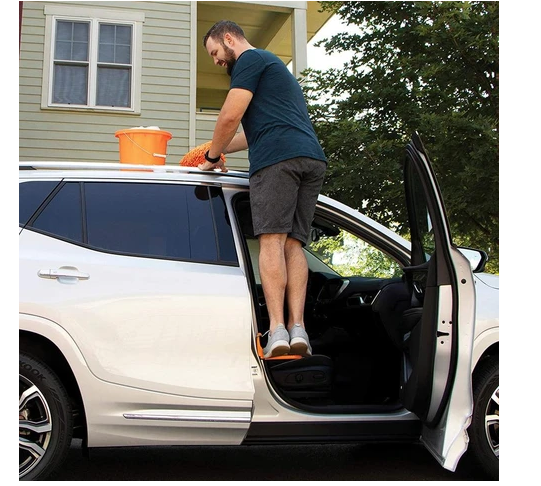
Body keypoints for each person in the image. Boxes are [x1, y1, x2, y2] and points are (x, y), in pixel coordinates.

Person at [199, 20, 327, 358]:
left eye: (215, 52)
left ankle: (277, 331)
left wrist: (211, 157)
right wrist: (218, 149)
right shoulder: (272, 67)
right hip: (310, 159)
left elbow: (230, 115)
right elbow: (249, 133)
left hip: (277, 161)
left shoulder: (250, 61)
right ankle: (298, 328)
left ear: (229, 38)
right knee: (293, 244)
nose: (216, 61)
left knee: (271, 241)